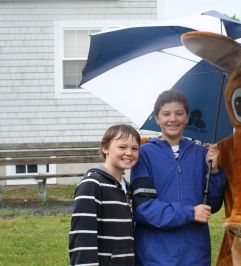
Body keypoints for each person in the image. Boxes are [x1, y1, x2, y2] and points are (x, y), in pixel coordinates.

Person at [130, 90, 227, 266]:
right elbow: (143, 208)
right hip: (155, 256)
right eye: (166, 114)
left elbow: (211, 205)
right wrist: (190, 213)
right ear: (157, 118)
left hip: (195, 255)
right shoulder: (143, 155)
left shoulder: (203, 154)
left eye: (179, 113)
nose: (172, 119)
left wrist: (214, 171)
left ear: (187, 118)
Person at [69, 124, 140, 265]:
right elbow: (82, 238)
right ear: (105, 148)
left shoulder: (127, 188)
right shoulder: (92, 184)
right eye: (122, 147)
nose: (129, 153)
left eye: (135, 148)